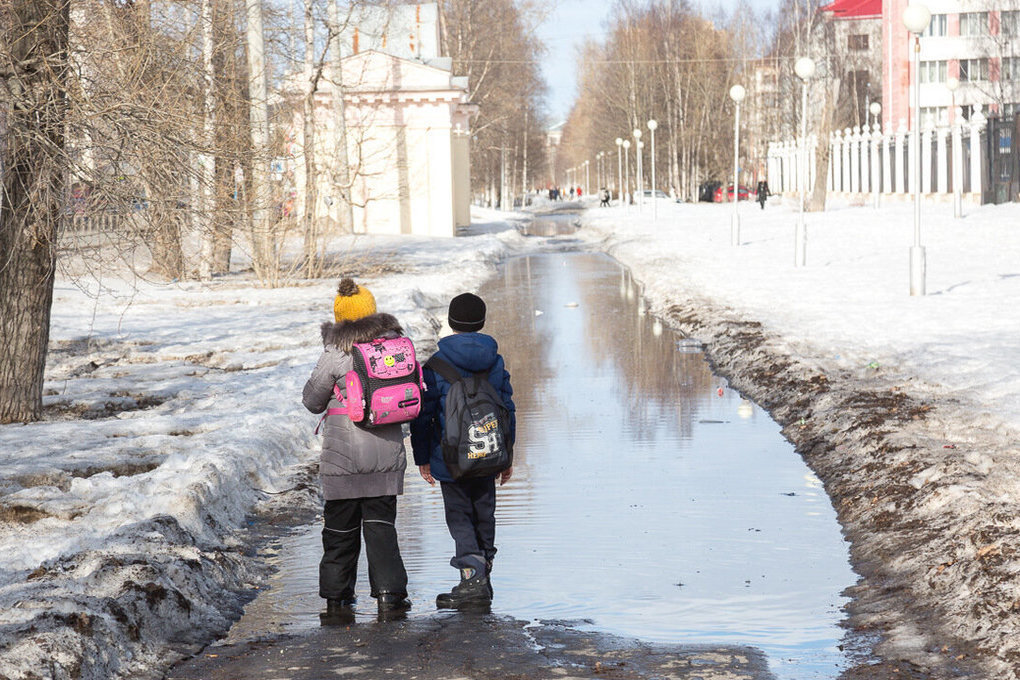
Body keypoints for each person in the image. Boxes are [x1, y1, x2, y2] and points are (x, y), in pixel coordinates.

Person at [302, 278, 411, 620]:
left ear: (340, 319)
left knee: (340, 533)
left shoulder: (335, 354)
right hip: (387, 457)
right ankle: (390, 597)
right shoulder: (396, 347)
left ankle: (337, 600)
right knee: (381, 530)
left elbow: (311, 401)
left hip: (342, 463)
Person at [410, 293, 516, 609]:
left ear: (452, 323)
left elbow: (423, 416)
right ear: (481, 322)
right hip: (490, 452)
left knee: (459, 516)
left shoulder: (436, 365)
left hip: (450, 458)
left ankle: (472, 580)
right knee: (484, 513)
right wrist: (507, 454)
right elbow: (508, 409)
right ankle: (483, 576)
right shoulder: (495, 362)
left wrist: (422, 457)